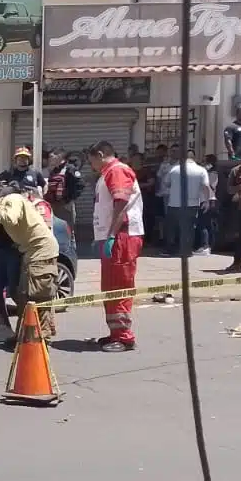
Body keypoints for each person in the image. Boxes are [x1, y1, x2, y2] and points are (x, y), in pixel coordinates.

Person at [0, 182, 61, 340]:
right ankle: (26, 334)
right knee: (24, 295)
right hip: (31, 251)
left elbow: (10, 219)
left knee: (36, 295)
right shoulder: (11, 201)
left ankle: (38, 336)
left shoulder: (12, 198)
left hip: (40, 251)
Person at [89, 140, 144, 352]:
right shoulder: (108, 173)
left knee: (120, 286)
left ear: (101, 154)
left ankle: (124, 337)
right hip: (114, 236)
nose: (92, 165)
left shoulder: (117, 171)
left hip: (123, 236)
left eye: (92, 160)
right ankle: (115, 333)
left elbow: (120, 203)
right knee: (111, 286)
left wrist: (111, 235)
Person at [162, 149, 214, 257]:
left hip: (174, 203)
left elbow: (166, 183)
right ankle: (186, 250)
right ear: (194, 159)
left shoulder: (174, 169)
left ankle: (170, 249)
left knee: (172, 227)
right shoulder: (201, 170)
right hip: (192, 204)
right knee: (189, 227)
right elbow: (205, 187)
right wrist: (207, 201)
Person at [43, 149, 84, 237]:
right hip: (53, 205)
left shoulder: (69, 169)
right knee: (56, 231)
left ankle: (70, 250)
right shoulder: (54, 170)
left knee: (68, 232)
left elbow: (80, 185)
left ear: (59, 156)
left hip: (65, 206)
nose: (50, 159)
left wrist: (68, 199)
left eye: (51, 156)